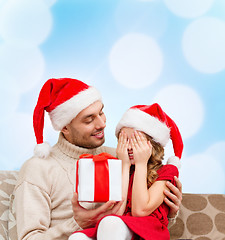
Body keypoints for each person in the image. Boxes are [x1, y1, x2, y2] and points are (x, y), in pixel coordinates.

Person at [14, 78, 182, 240]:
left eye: (101, 112)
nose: (102, 124)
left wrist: (168, 209)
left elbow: (140, 218)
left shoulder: (123, 157)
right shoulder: (38, 169)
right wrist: (77, 224)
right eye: (89, 119)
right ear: (64, 127)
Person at [69, 103, 183, 240]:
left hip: (147, 231)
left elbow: (140, 211)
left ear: (152, 145)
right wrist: (123, 165)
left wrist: (141, 163)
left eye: (135, 141)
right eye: (123, 140)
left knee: (110, 222)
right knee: (78, 237)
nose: (128, 147)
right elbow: (118, 211)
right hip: (120, 227)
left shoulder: (167, 171)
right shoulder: (122, 169)